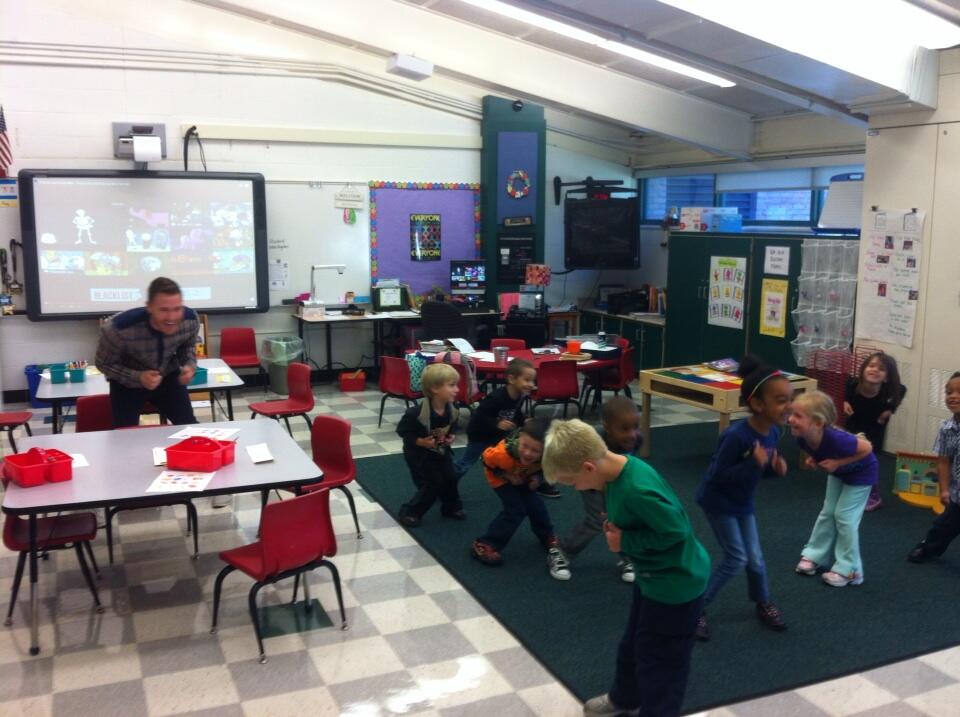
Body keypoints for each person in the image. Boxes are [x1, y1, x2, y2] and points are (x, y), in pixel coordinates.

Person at [542, 419, 709, 717]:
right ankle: (624, 700)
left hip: (675, 585)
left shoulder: (636, 489)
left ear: (588, 469)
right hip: (651, 578)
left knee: (661, 665)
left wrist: (625, 541)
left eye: (572, 483)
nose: (575, 488)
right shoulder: (620, 469)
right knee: (633, 645)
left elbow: (676, 531)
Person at [694, 357, 792, 641]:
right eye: (780, 400)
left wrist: (773, 469)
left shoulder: (773, 430)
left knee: (756, 558)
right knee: (736, 557)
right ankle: (695, 608)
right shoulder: (736, 436)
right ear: (759, 404)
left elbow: (756, 473)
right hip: (718, 501)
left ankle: (763, 601)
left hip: (742, 501)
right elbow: (717, 476)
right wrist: (752, 463)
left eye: (790, 399)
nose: (788, 406)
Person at [791, 390, 877, 587]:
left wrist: (839, 463)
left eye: (797, 416)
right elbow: (817, 449)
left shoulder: (837, 438)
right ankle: (814, 555)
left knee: (845, 518)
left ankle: (850, 571)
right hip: (839, 473)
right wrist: (814, 457)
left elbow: (867, 448)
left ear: (819, 423)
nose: (791, 419)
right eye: (792, 413)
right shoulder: (801, 436)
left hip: (861, 473)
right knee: (828, 512)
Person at [471, 417, 571, 580]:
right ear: (520, 438)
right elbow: (486, 461)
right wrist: (507, 475)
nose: (528, 453)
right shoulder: (503, 453)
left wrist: (537, 479)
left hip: (523, 477)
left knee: (536, 506)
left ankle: (546, 536)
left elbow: (543, 470)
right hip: (500, 479)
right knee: (516, 510)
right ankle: (485, 543)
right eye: (525, 446)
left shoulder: (547, 456)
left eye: (535, 451)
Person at [95, 276, 199, 428]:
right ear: (149, 307)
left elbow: (187, 347)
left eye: (177, 309)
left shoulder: (190, 321)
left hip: (168, 377)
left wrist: (189, 364)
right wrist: (138, 377)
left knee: (189, 426)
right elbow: (103, 364)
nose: (171, 318)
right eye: (164, 310)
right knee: (124, 435)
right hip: (127, 384)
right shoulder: (117, 329)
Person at [561, 396, 640, 583]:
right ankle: (562, 552)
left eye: (635, 427)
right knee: (597, 520)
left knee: (622, 519)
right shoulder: (593, 441)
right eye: (624, 429)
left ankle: (627, 558)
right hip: (592, 484)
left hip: (616, 483)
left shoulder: (636, 439)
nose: (632, 434)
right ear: (607, 426)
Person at [396, 362, 463, 527]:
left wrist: (451, 436)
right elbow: (403, 432)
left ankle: (451, 507)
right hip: (419, 455)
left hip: (440, 450)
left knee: (451, 477)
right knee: (433, 483)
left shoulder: (452, 409)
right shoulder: (416, 413)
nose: (457, 389)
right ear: (435, 389)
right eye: (452, 385)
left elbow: (453, 425)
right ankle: (411, 511)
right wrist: (421, 441)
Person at [907, 372, 960, 563]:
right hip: (958, 496)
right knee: (942, 527)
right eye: (949, 392)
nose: (953, 396)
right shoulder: (947, 429)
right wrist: (945, 489)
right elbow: (944, 461)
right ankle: (927, 548)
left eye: (959, 392)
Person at [843, 352, 906, 511]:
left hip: (875, 428)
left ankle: (874, 495)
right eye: (871, 366)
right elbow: (846, 392)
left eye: (881, 369)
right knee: (850, 456)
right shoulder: (853, 384)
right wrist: (845, 402)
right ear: (864, 369)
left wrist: (891, 409)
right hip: (854, 425)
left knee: (869, 460)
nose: (875, 370)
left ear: (886, 377)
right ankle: (853, 487)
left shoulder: (887, 391)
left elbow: (901, 390)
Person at [454, 358, 536, 478]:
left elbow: (515, 411)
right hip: (479, 435)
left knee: (504, 457)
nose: (531, 385)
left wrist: (524, 421)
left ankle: (510, 479)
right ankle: (447, 480)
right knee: (467, 462)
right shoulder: (497, 397)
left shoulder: (519, 395)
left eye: (533, 381)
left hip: (496, 435)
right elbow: (480, 415)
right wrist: (496, 423)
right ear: (512, 379)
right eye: (527, 380)